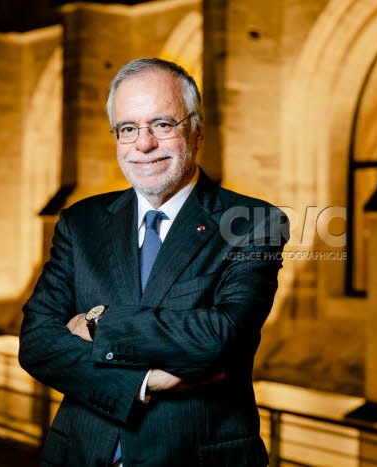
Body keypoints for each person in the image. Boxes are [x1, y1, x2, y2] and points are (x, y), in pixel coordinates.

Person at [18, 57, 288, 466]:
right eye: (128, 129)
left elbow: (220, 336)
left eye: (162, 125)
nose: (143, 144)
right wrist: (142, 381)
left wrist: (97, 322)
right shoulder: (80, 222)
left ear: (196, 132)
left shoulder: (253, 223)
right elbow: (37, 343)